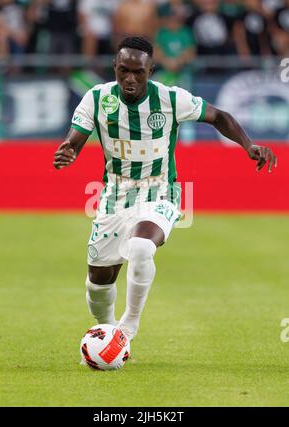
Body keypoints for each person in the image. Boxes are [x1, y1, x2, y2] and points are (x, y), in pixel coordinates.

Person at [53, 36, 277, 341]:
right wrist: (68, 151)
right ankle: (106, 331)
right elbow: (74, 139)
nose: (130, 79)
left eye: (138, 72)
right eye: (123, 71)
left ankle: (128, 326)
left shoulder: (172, 99)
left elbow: (219, 116)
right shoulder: (96, 98)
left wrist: (248, 145)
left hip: (161, 192)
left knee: (141, 248)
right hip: (113, 197)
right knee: (97, 283)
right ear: (114, 67)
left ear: (151, 69)